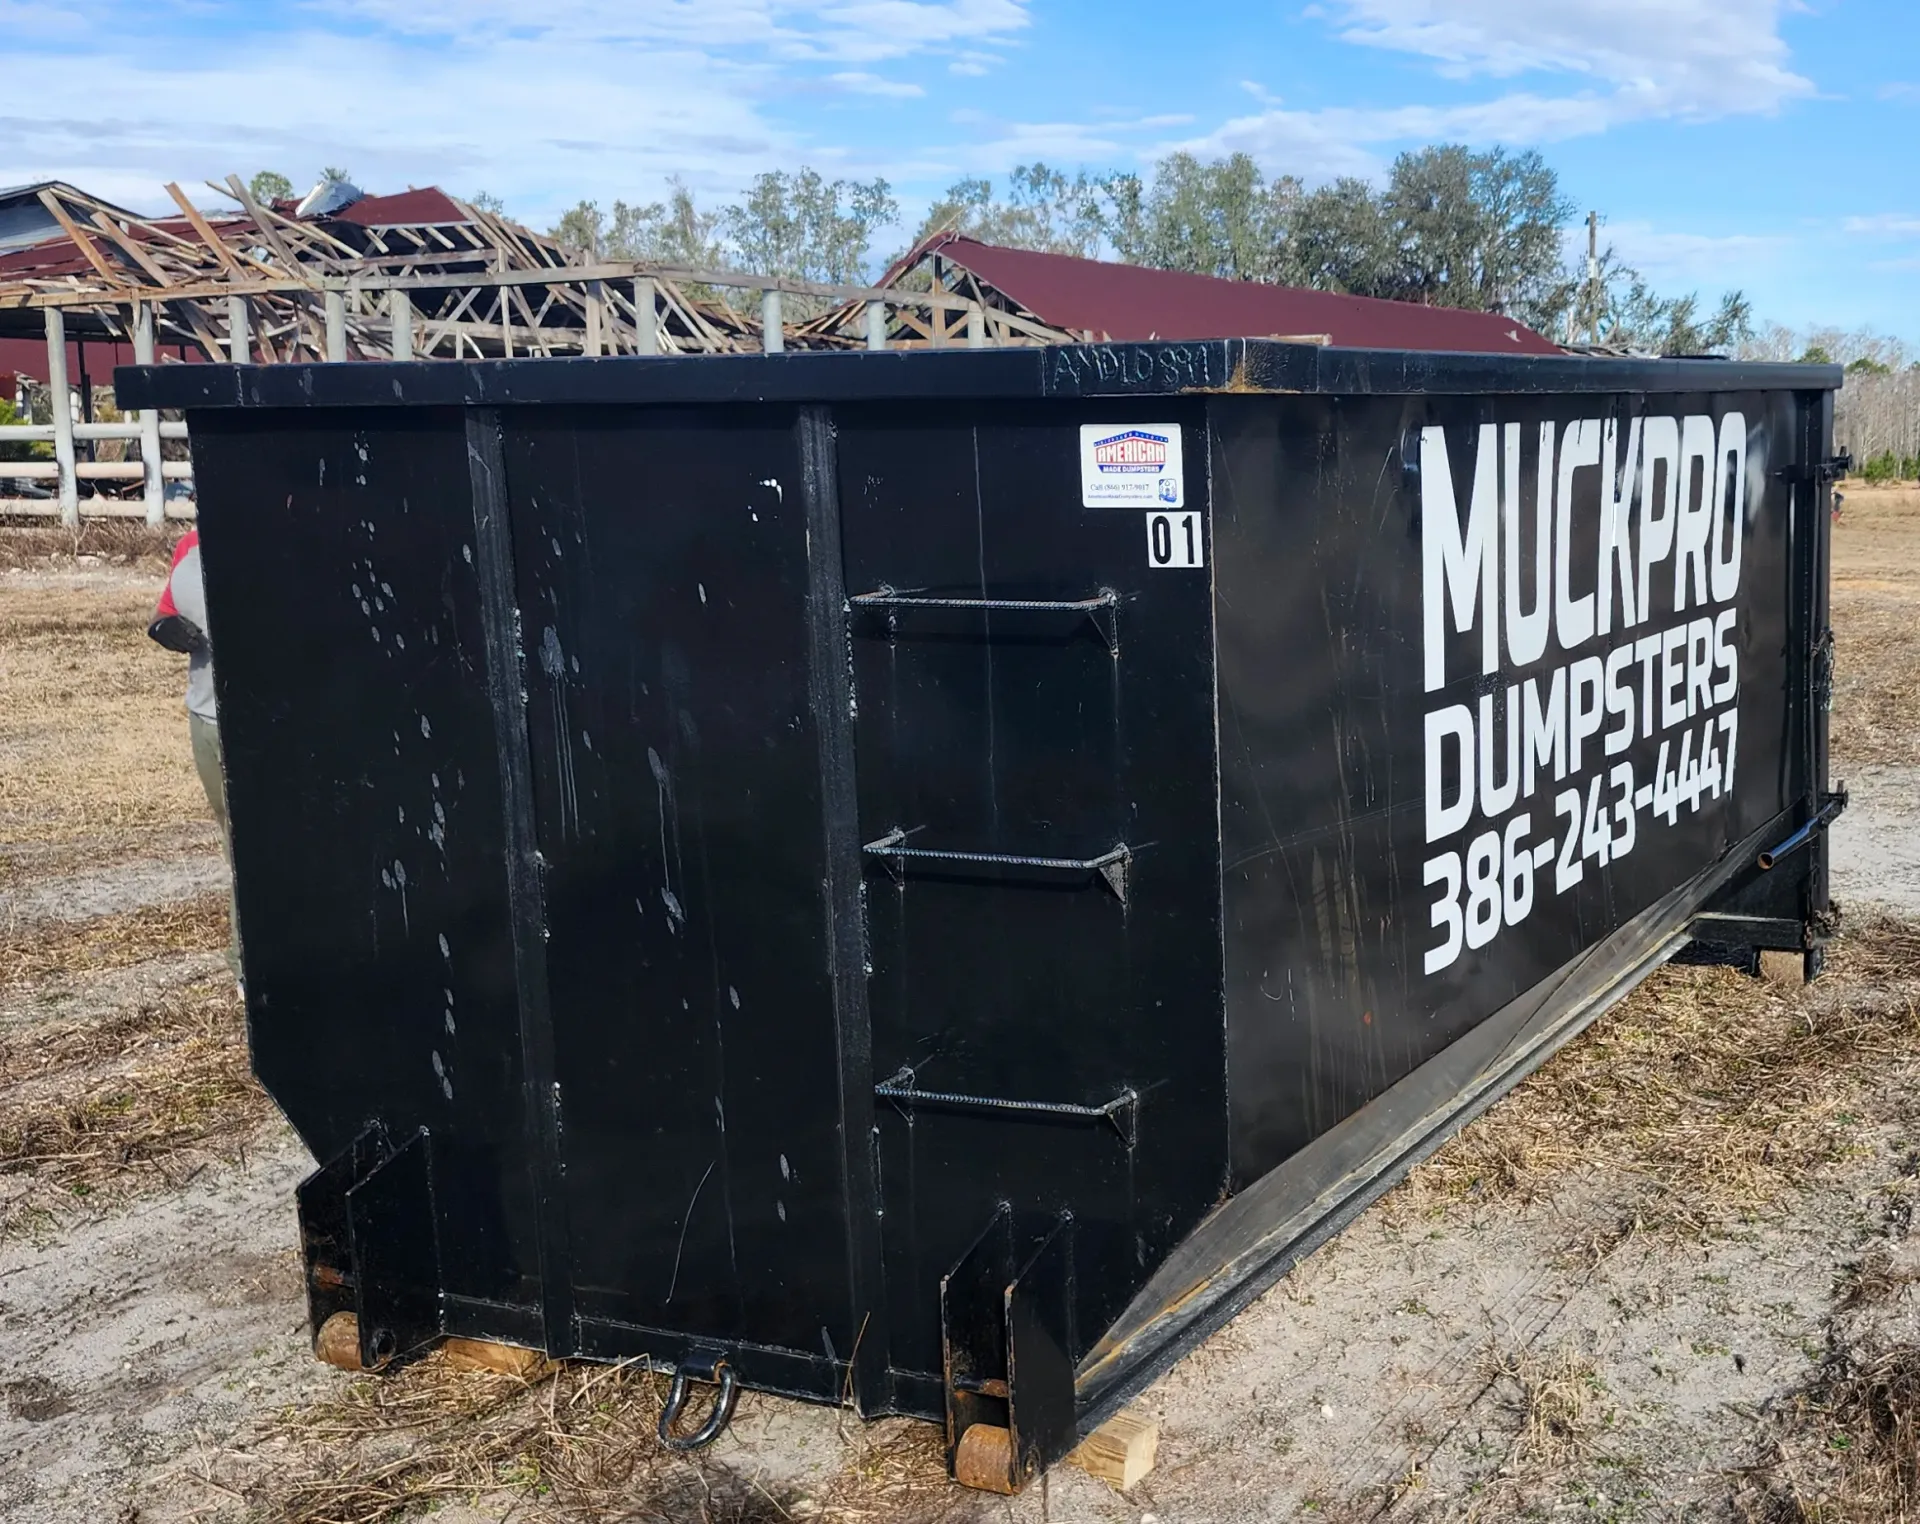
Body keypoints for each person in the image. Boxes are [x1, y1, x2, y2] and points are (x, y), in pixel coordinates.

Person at [148, 528, 242, 991]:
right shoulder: (190, 545)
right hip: (208, 720)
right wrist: (167, 631)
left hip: (264, 724)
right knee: (237, 844)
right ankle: (245, 962)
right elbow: (166, 613)